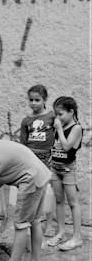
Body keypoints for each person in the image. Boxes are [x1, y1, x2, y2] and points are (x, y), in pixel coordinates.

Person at [47, 96, 83, 251]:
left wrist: (59, 129)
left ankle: (77, 237)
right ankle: (61, 232)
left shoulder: (76, 128)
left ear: (71, 112)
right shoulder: (58, 126)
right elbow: (54, 146)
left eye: (60, 114)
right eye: (56, 114)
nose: (58, 118)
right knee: (59, 201)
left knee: (73, 202)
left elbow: (67, 146)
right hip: (55, 168)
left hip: (68, 169)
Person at [20, 84, 55, 238]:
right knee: (32, 192)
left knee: (48, 193)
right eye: (31, 100)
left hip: (47, 158)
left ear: (44, 100)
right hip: (31, 158)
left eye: (37, 100)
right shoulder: (26, 120)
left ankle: (49, 224)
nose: (33, 103)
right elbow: (23, 144)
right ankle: (34, 223)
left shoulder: (52, 117)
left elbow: (59, 135)